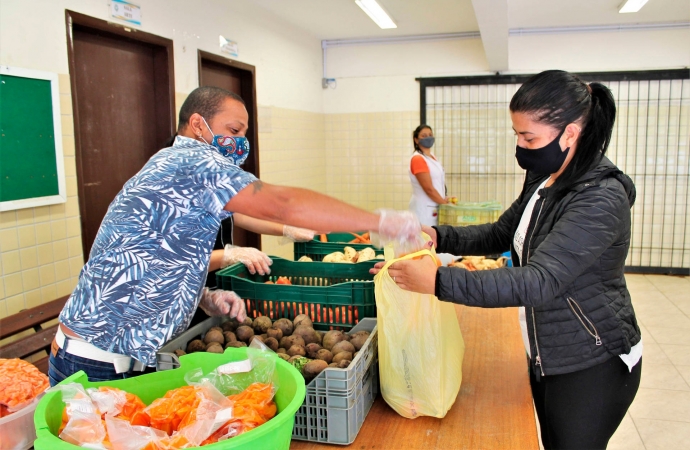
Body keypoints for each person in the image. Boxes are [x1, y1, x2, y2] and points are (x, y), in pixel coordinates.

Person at [50, 86, 421, 385]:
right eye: (233, 131)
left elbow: (160, 250)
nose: (240, 142)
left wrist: (201, 296)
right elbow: (281, 202)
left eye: (244, 133)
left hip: (110, 353)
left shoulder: (172, 162)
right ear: (198, 124)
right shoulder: (193, 161)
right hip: (96, 363)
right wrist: (379, 221)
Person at [373, 70, 642, 450]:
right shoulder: (545, 175)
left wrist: (437, 281)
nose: (520, 145)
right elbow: (502, 233)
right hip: (547, 347)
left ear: (570, 133)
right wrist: (437, 236)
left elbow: (540, 280)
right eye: (516, 133)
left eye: (529, 136)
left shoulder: (600, 197)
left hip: (591, 359)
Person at [409, 124, 450, 226]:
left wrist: (444, 198)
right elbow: (428, 189)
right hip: (424, 210)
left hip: (433, 206)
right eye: (423, 136)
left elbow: (437, 182)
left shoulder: (432, 157)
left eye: (430, 135)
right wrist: (444, 204)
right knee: (424, 239)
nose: (428, 137)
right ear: (416, 140)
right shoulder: (418, 159)